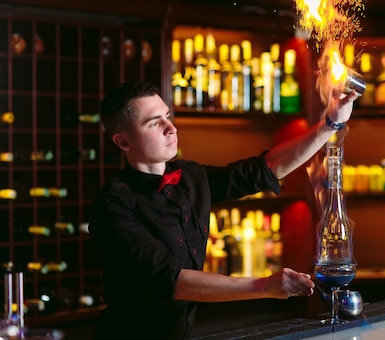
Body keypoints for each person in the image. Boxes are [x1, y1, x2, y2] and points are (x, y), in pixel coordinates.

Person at [89, 81, 358, 340]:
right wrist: (264, 286)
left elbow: (265, 169)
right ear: (123, 142)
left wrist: (329, 124)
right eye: (154, 123)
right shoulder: (113, 204)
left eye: (168, 117)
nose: (171, 128)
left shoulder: (191, 177)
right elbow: (172, 281)